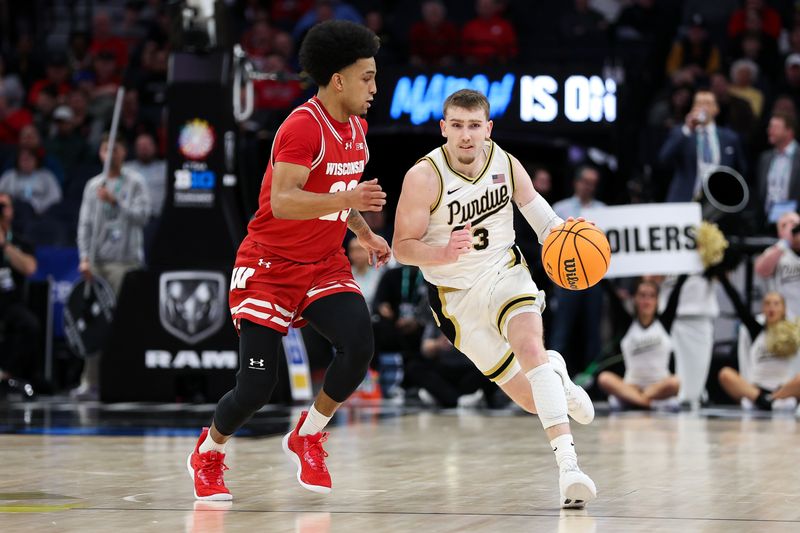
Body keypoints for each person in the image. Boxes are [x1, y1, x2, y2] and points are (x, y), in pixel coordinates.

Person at [187, 20, 390, 501]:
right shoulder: (302, 126)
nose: (374, 89)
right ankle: (209, 452)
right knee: (257, 388)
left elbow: (337, 197)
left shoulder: (357, 129)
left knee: (359, 346)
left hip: (322, 262)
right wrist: (353, 197)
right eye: (367, 77)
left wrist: (362, 234)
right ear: (337, 79)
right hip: (269, 267)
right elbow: (284, 201)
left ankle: (309, 433)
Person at [392, 89, 596, 508]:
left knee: (530, 346)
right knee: (528, 398)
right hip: (454, 297)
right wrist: (442, 252)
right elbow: (401, 247)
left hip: (504, 273)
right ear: (443, 127)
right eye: (458, 126)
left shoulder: (504, 161)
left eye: (474, 126)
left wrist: (562, 231)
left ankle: (569, 468)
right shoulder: (424, 177)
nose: (466, 136)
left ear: (488, 129)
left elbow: (538, 213)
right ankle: (558, 376)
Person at [74, 133, 150, 400]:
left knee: (119, 324)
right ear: (100, 153)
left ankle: (122, 380)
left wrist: (116, 201)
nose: (111, 154)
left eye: (116, 149)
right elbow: (84, 225)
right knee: (94, 323)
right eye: (106, 149)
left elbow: (143, 216)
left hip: (125, 263)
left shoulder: (135, 182)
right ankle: (90, 381)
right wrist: (84, 257)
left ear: (123, 152)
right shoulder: (93, 185)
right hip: (97, 263)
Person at [597, 276, 686, 409]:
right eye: (642, 295)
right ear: (635, 299)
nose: (647, 300)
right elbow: (611, 295)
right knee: (604, 378)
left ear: (657, 301)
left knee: (675, 382)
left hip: (659, 389)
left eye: (651, 296)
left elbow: (678, 289)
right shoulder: (627, 324)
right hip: (631, 386)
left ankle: (638, 400)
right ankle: (646, 402)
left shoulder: (664, 322)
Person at [716, 273, 800, 411]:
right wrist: (724, 280)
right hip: (756, 389)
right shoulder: (756, 331)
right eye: (767, 303)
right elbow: (739, 306)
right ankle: (762, 399)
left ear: (784, 309)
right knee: (725, 374)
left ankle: (773, 399)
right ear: (763, 308)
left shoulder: (795, 331)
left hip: (784, 389)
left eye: (776, 304)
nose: (771, 308)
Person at [658, 89, 746, 203]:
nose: (704, 108)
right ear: (693, 108)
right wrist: (687, 129)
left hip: (718, 203)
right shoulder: (682, 133)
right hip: (685, 199)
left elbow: (741, 170)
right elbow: (663, 158)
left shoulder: (729, 138)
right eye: (699, 104)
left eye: (708, 104)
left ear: (716, 109)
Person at [0, 192, 39, 396]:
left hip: (10, 302)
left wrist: (5, 245)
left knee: (29, 325)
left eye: (3, 206)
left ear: (11, 211)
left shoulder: (20, 241)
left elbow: (30, 268)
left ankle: (7, 376)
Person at [754, 212, 800, 318]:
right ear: (779, 232)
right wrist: (784, 243)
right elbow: (761, 270)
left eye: (794, 223)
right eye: (784, 225)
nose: (791, 227)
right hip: (785, 321)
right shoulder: (776, 251)